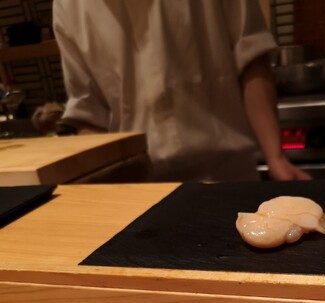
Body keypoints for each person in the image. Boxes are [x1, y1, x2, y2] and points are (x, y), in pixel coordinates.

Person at [52, 0, 311, 182]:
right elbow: (89, 112)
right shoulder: (68, 5)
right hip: (140, 187)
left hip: (227, 174)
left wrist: (275, 156)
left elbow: (251, 55)